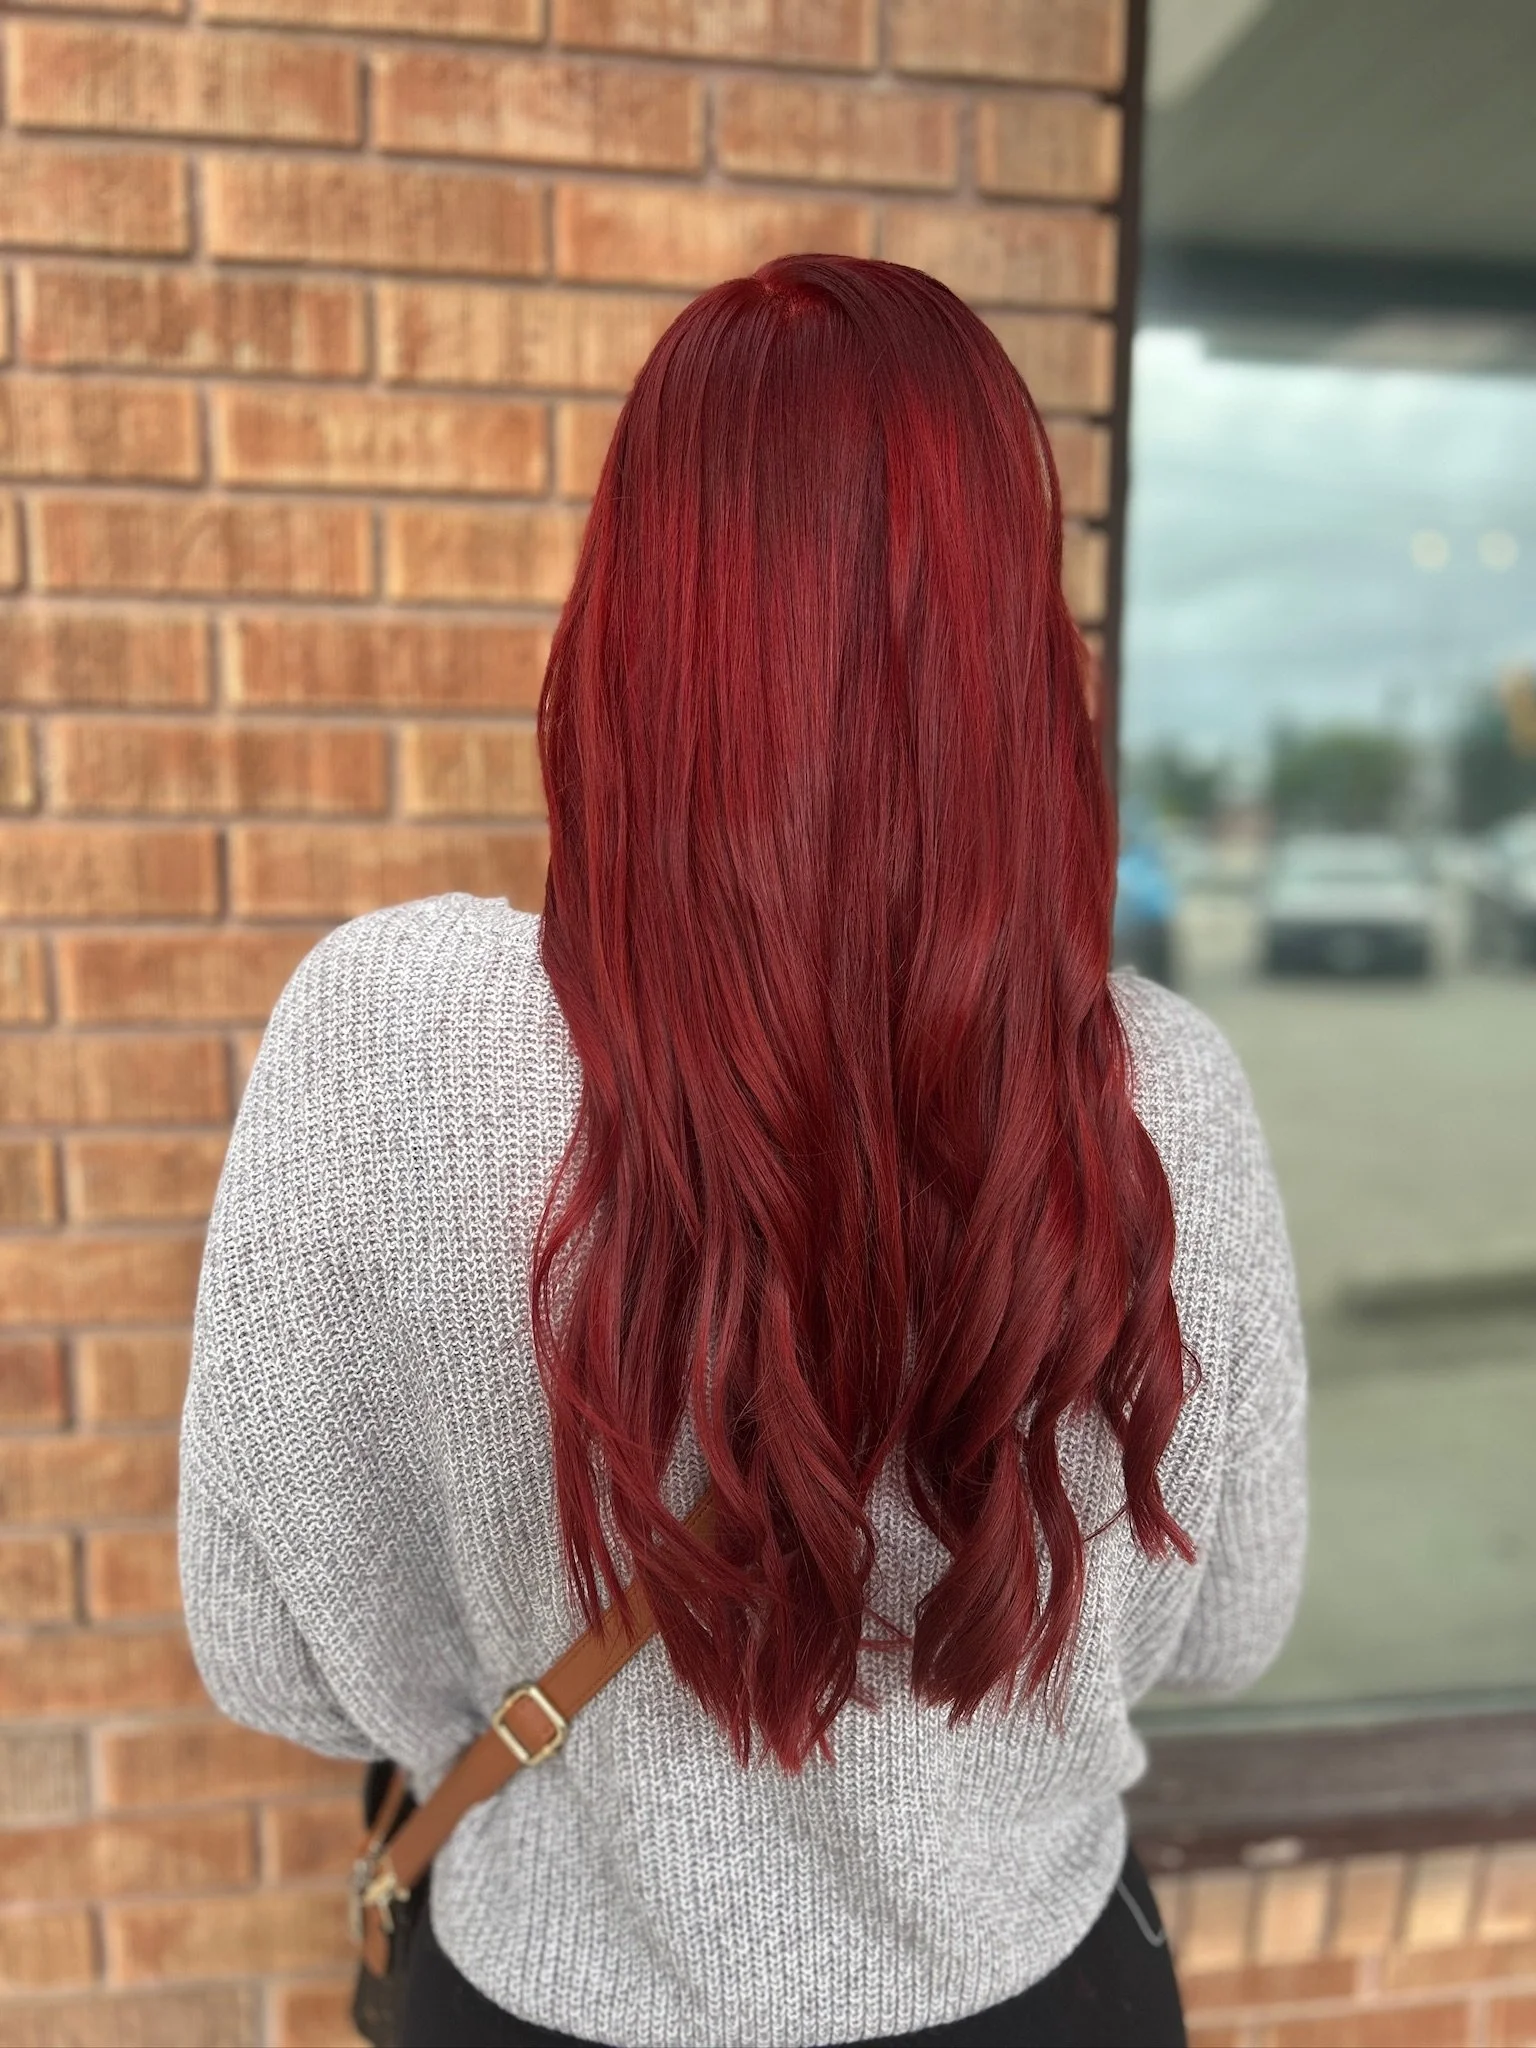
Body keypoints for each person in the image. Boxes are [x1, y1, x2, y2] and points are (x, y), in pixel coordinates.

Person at [179, 255, 1306, 2048]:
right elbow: (1229, 1628)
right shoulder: (1160, 1096)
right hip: (1031, 1988)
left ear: (630, 626)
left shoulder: (378, 1034)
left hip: (541, 1990)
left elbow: (274, 1658)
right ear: (1016, 663)